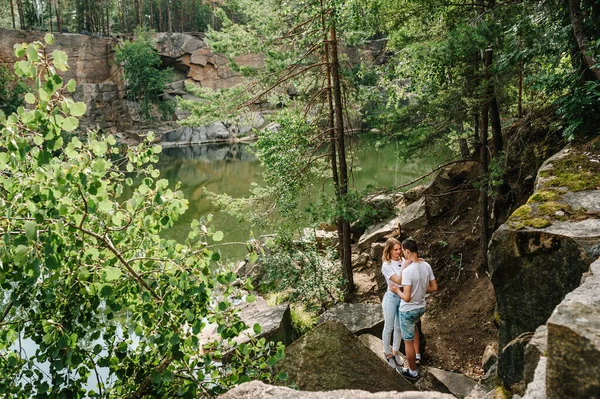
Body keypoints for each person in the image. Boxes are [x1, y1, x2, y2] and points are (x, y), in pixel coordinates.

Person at [395, 238, 437, 382]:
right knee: (415, 328)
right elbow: (434, 287)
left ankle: (412, 372)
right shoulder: (426, 266)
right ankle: (418, 354)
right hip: (421, 308)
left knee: (408, 342)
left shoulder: (408, 271)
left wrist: (396, 290)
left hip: (408, 310)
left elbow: (406, 297)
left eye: (404, 253)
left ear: (407, 251)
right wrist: (420, 289)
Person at [380, 238, 404, 368]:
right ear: (389, 250)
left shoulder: (404, 261)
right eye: (395, 249)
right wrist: (407, 267)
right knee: (389, 327)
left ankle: (395, 352)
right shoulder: (386, 265)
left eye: (400, 249)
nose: (399, 251)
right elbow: (399, 281)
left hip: (402, 297)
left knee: (399, 326)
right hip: (391, 298)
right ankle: (387, 353)